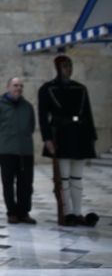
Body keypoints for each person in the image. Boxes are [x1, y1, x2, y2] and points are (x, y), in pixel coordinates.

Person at [38, 54, 98, 227]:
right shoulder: (47, 89)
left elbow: (88, 114)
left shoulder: (80, 88)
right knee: (63, 179)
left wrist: (92, 136)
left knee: (77, 178)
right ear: (58, 68)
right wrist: (47, 139)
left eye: (70, 66)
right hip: (61, 136)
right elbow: (43, 117)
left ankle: (78, 212)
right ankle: (67, 212)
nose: (68, 69)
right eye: (65, 66)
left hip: (80, 135)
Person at [0, 77, 36, 225]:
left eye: (20, 86)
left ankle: (24, 212)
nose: (18, 88)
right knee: (8, 183)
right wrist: (1, 142)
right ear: (8, 87)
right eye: (15, 85)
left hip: (25, 151)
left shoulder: (27, 107)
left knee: (26, 183)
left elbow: (31, 126)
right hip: (7, 152)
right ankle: (12, 212)